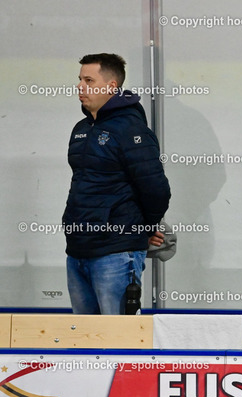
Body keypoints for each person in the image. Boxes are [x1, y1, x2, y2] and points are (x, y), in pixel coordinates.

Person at [63, 53, 171, 314]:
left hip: (116, 253)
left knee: (117, 334)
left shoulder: (131, 130)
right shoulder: (81, 129)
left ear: (111, 86)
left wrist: (146, 227)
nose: (80, 86)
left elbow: (156, 190)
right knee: (84, 334)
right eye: (80, 80)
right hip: (77, 250)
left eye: (89, 80)